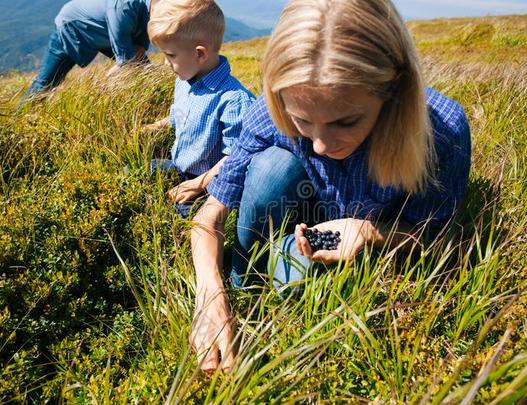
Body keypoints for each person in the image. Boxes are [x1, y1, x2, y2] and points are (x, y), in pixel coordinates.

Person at [188, 0, 471, 373]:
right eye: (302, 120)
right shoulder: (270, 109)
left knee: (298, 290)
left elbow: (436, 236)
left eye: (346, 121)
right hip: (298, 211)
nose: (320, 145)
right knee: (272, 168)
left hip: (370, 244)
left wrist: (371, 233)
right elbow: (209, 216)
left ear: (393, 89)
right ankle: (244, 276)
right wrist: (210, 296)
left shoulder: (442, 130)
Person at [145, 0, 255, 217]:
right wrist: (153, 127)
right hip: (180, 167)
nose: (166, 63)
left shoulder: (233, 99)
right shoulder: (184, 81)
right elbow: (178, 115)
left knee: (181, 216)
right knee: (136, 172)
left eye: (171, 55)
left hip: (208, 183)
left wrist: (198, 184)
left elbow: (234, 159)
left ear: (200, 54)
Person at [24, 0, 152, 96]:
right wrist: (104, 84)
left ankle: (151, 100)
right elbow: (126, 63)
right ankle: (22, 117)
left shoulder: (153, 9)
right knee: (45, 84)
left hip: (104, 31)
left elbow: (138, 51)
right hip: (71, 26)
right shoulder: (122, 8)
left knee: (143, 68)